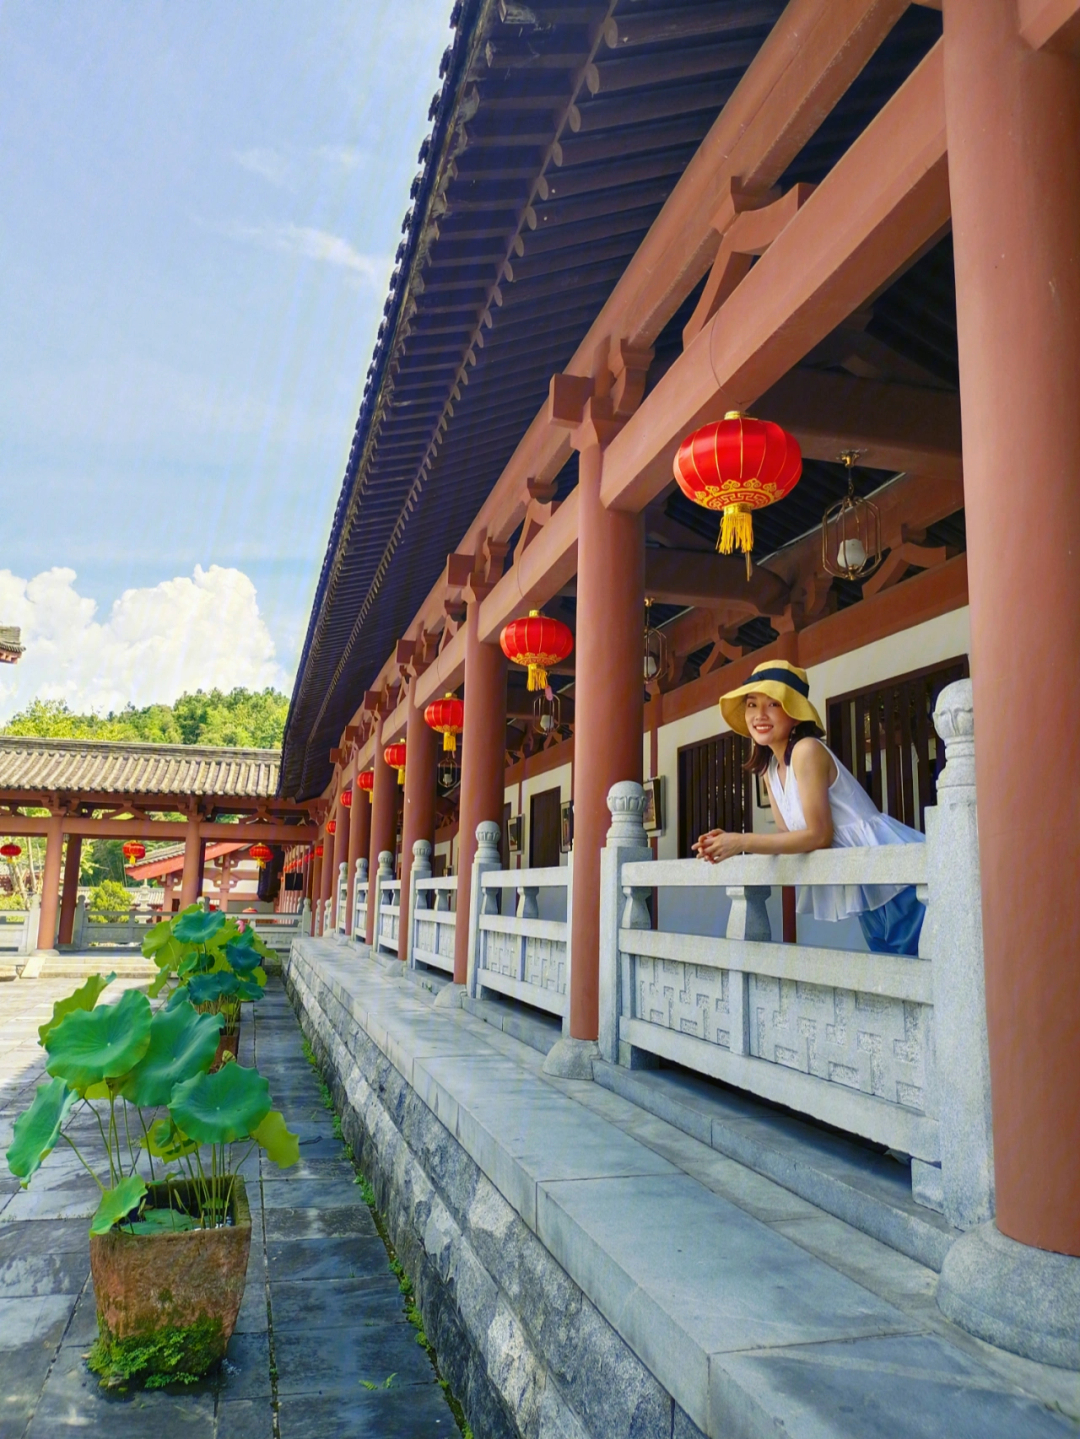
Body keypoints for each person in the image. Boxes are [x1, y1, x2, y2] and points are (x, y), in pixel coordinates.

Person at [693, 659, 925, 956]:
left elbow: (818, 835)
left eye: (773, 704)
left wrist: (741, 842)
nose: (759, 715)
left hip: (895, 880)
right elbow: (787, 833)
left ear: (794, 712)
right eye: (751, 704)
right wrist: (722, 841)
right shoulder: (770, 770)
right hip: (866, 885)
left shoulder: (806, 750)